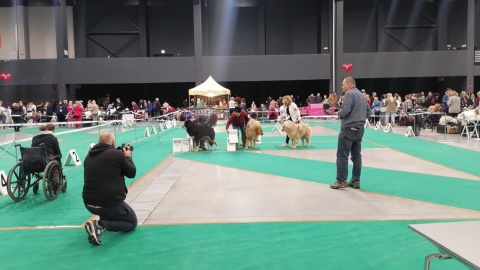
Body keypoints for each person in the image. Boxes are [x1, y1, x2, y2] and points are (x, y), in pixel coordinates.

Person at [82, 132, 137, 245]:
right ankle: (99, 225)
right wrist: (127, 157)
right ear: (113, 142)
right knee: (132, 223)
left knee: (109, 210)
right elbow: (131, 173)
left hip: (88, 203)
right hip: (109, 203)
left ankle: (101, 223)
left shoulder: (89, 156)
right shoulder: (117, 155)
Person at [330, 77, 371, 190]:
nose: (342, 87)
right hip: (359, 129)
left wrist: (339, 113)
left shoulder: (348, 94)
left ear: (348, 84)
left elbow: (345, 110)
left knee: (342, 155)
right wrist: (360, 119)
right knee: (356, 156)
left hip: (348, 128)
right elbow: (368, 111)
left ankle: (341, 181)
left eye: (343, 84)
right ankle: (355, 180)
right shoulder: (362, 96)